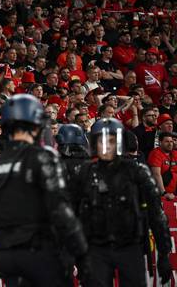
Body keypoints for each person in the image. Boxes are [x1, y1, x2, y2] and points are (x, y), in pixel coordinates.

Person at [0, 94, 89, 286]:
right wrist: (82, 253)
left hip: (7, 257)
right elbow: (61, 210)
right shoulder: (42, 157)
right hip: (40, 255)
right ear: (36, 124)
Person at [70, 118, 172, 286]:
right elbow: (70, 215)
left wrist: (163, 253)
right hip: (95, 248)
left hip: (130, 246)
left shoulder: (137, 171)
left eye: (111, 141)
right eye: (101, 141)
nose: (106, 146)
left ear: (120, 143)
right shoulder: (83, 173)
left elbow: (156, 213)